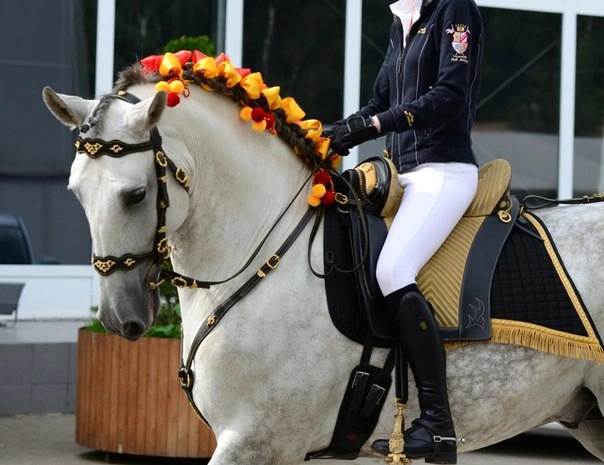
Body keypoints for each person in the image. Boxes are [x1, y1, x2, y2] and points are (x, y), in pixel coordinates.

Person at [325, 0, 484, 463]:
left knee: (393, 270)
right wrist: (335, 132)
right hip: (401, 174)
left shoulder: (453, 8)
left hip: (443, 170)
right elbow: (380, 102)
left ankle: (438, 424)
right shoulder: (402, 18)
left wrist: (374, 125)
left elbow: (450, 95)